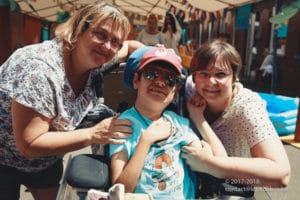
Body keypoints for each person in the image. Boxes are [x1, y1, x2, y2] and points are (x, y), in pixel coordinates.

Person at [0, 2, 144, 200]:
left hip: (45, 162)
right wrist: (94, 133)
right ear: (79, 28)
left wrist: (153, 55)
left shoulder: (95, 59)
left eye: (114, 41)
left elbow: (130, 47)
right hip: (3, 159)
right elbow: (30, 143)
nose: (108, 46)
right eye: (101, 34)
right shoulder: (40, 69)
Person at [109, 46, 227, 199]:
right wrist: (145, 140)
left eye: (170, 79)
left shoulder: (176, 122)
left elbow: (222, 164)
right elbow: (121, 191)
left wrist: (198, 118)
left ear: (175, 91)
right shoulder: (123, 125)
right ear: (136, 80)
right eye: (152, 74)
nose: (160, 82)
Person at [182, 39, 291, 197]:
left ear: (234, 77)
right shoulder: (190, 91)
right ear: (194, 77)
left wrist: (209, 164)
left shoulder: (246, 106)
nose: (211, 82)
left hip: (232, 190)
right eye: (203, 74)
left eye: (220, 74)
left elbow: (281, 175)